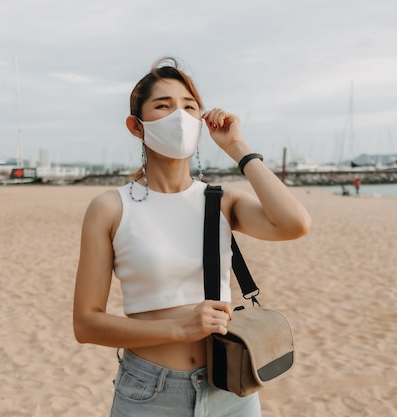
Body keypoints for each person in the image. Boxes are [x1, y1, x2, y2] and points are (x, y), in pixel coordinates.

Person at [72, 57, 311, 417]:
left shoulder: (220, 201)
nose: (179, 116)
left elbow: (294, 224)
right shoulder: (110, 208)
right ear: (136, 126)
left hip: (232, 389)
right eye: (163, 106)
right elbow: (86, 323)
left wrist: (237, 148)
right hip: (150, 393)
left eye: (189, 106)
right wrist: (179, 329)